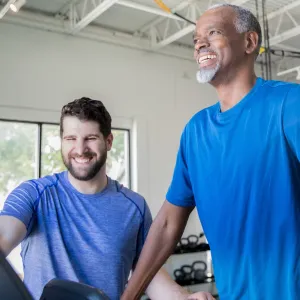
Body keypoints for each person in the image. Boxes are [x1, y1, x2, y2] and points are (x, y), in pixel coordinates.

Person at [121, 3, 300, 300]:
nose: (200, 44)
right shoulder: (196, 131)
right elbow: (167, 225)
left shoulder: (288, 105)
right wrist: (128, 297)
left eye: (213, 33)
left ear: (249, 42)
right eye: (195, 40)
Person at [0, 98, 213, 300]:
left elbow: (149, 275)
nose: (80, 149)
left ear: (109, 141)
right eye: (71, 139)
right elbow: (5, 234)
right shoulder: (34, 194)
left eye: (90, 138)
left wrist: (184, 297)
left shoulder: (134, 207)